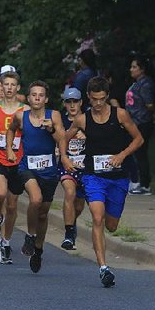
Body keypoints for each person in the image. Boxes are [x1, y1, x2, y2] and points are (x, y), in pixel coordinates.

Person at [61, 76, 143, 287]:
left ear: (107, 96)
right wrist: (64, 157)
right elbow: (64, 138)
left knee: (111, 225)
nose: (98, 104)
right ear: (88, 97)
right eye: (94, 99)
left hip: (117, 178)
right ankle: (104, 268)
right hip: (93, 176)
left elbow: (139, 139)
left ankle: (107, 235)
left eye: (102, 99)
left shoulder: (120, 115)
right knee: (97, 217)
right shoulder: (83, 120)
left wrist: (122, 155)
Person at [6, 81, 65, 273]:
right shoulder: (21, 116)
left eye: (41, 95)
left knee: (43, 213)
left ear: (46, 99)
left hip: (49, 171)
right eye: (34, 95)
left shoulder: (53, 115)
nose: (37, 98)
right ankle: (30, 236)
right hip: (27, 167)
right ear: (28, 98)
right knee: (35, 198)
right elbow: (11, 129)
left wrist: (51, 130)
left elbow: (62, 138)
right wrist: (10, 149)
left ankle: (38, 249)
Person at [0, 71, 28, 264]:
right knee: (0, 193)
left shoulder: (25, 110)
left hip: (17, 161)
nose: (9, 88)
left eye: (13, 85)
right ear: (0, 88)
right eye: (6, 85)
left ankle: (6, 242)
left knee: (12, 206)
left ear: (18, 88)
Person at [59, 87, 86, 250]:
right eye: (69, 102)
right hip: (66, 166)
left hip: (85, 167)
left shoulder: (89, 119)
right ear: (65, 104)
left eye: (75, 101)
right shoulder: (60, 120)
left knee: (78, 206)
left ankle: (72, 222)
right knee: (70, 192)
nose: (72, 105)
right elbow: (56, 139)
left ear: (81, 102)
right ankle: (69, 235)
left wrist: (89, 136)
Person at [125, 55, 154, 194]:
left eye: (134, 67)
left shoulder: (146, 84)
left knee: (140, 152)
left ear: (142, 69)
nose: (131, 69)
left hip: (142, 122)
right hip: (134, 122)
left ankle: (145, 184)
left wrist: (147, 116)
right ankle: (139, 181)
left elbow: (149, 104)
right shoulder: (136, 83)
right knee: (137, 153)